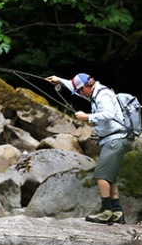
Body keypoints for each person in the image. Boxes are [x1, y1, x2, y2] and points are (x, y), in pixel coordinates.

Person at [45, 72, 129, 224]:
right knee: (110, 176)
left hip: (115, 139)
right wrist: (60, 80)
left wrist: (87, 117)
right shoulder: (93, 92)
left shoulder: (102, 95)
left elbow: (109, 114)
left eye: (79, 91)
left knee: (101, 175)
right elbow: (73, 85)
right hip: (113, 138)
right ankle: (117, 212)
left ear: (85, 87)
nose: (79, 94)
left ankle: (106, 212)